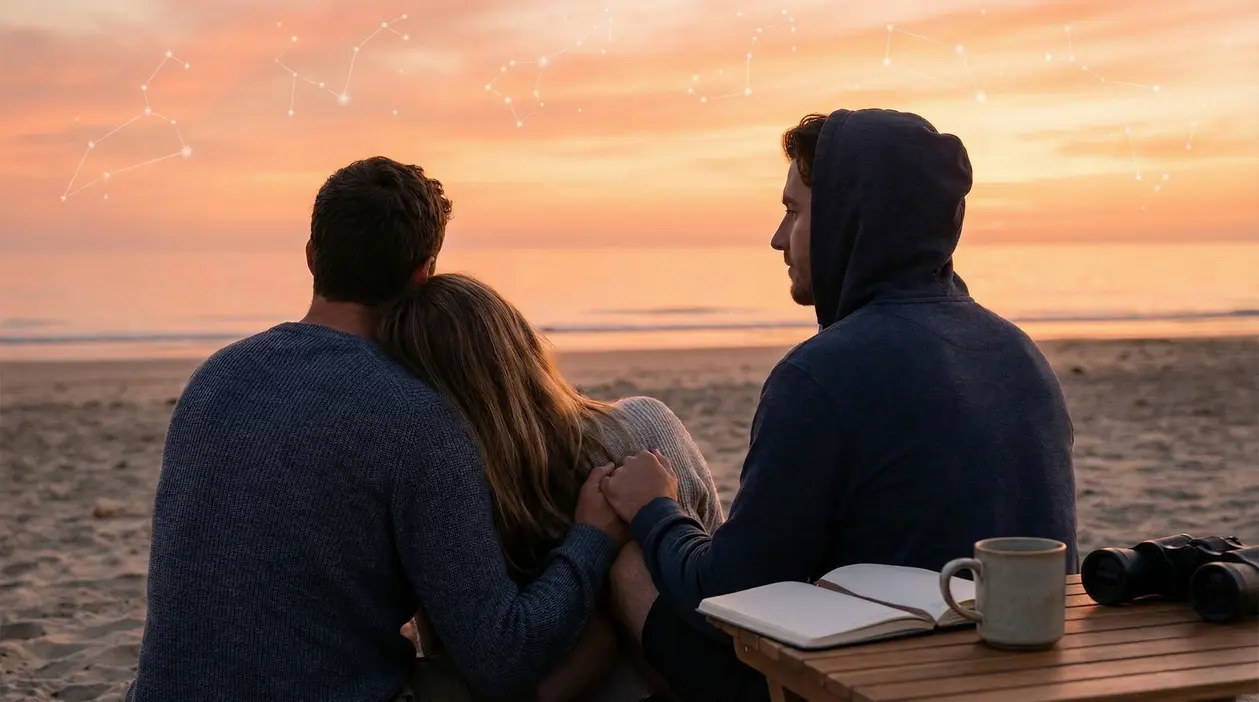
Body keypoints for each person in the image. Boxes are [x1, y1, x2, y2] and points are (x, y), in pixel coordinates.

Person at [597, 108, 1079, 701]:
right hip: (1025, 678)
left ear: (852, 218)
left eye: (794, 211)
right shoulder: (1017, 351)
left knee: (631, 571)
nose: (777, 236)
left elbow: (726, 593)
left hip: (874, 685)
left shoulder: (820, 374)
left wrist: (655, 509)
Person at [125, 156, 626, 702]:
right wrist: (592, 539)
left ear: (312, 256)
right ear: (423, 273)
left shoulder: (216, 377)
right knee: (607, 634)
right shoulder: (416, 420)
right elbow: (502, 656)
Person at [377, 272, 725, 701]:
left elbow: (458, 649)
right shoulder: (639, 428)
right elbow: (710, 571)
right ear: (520, 346)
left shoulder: (447, 489)